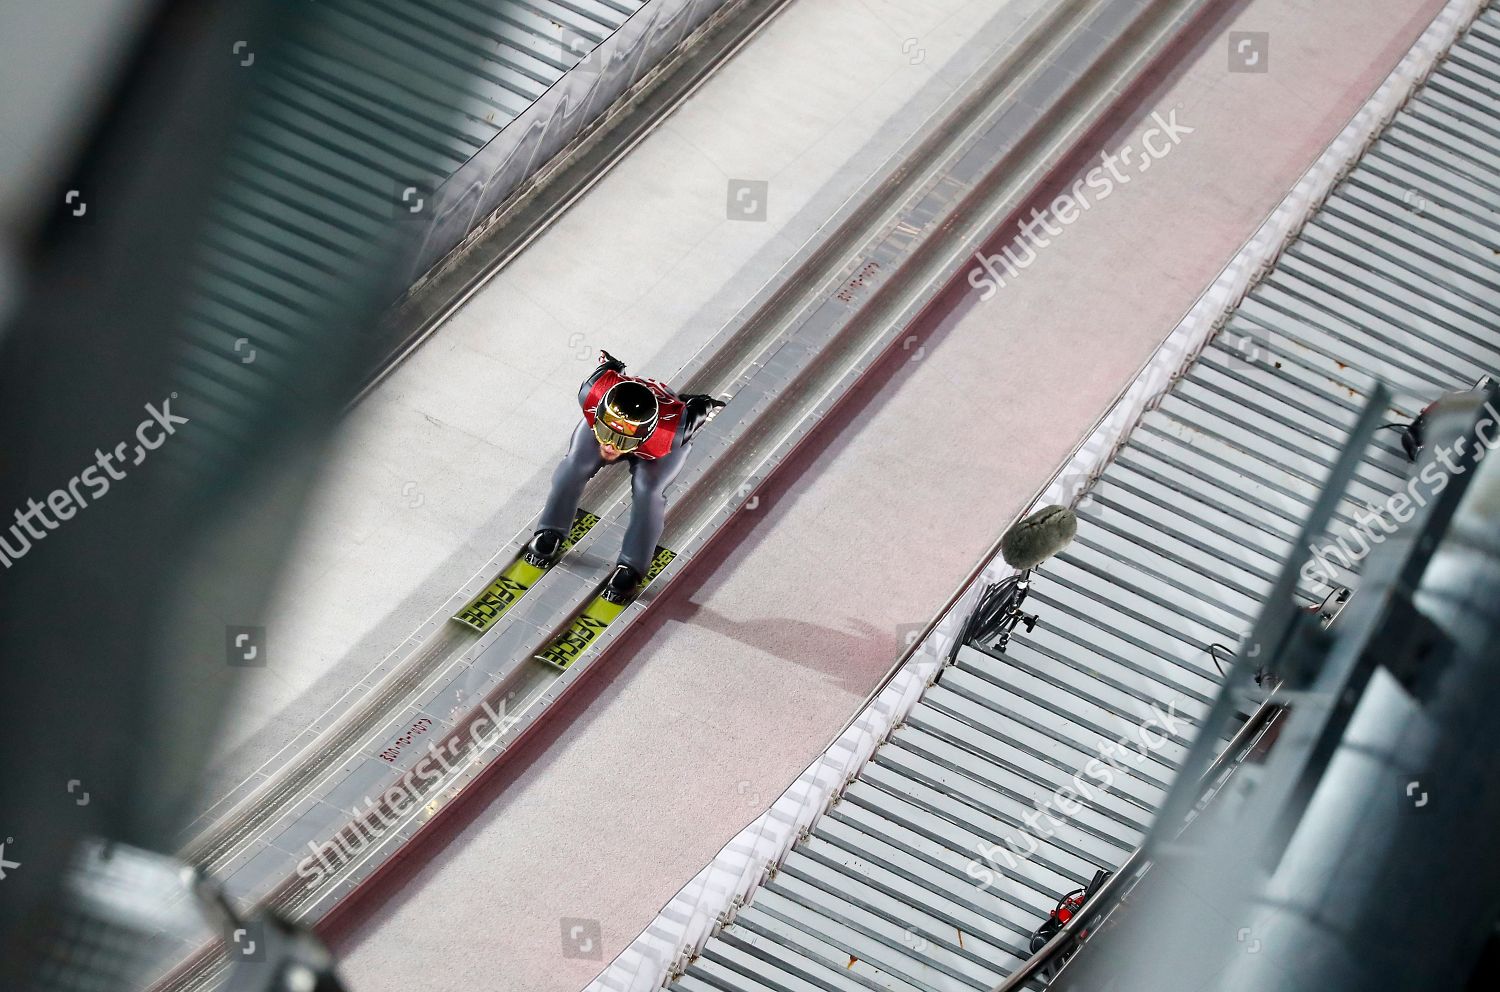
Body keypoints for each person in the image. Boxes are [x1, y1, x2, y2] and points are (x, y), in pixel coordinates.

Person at [524, 351, 725, 599]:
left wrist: (702, 403)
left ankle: (632, 566)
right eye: (606, 432)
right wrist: (613, 365)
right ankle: (550, 530)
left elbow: (698, 408)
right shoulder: (593, 395)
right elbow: (608, 369)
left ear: (642, 436)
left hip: (656, 441)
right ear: (598, 415)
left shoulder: (670, 434)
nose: (609, 446)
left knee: (648, 491)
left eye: (620, 440)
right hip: (635, 425)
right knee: (574, 465)